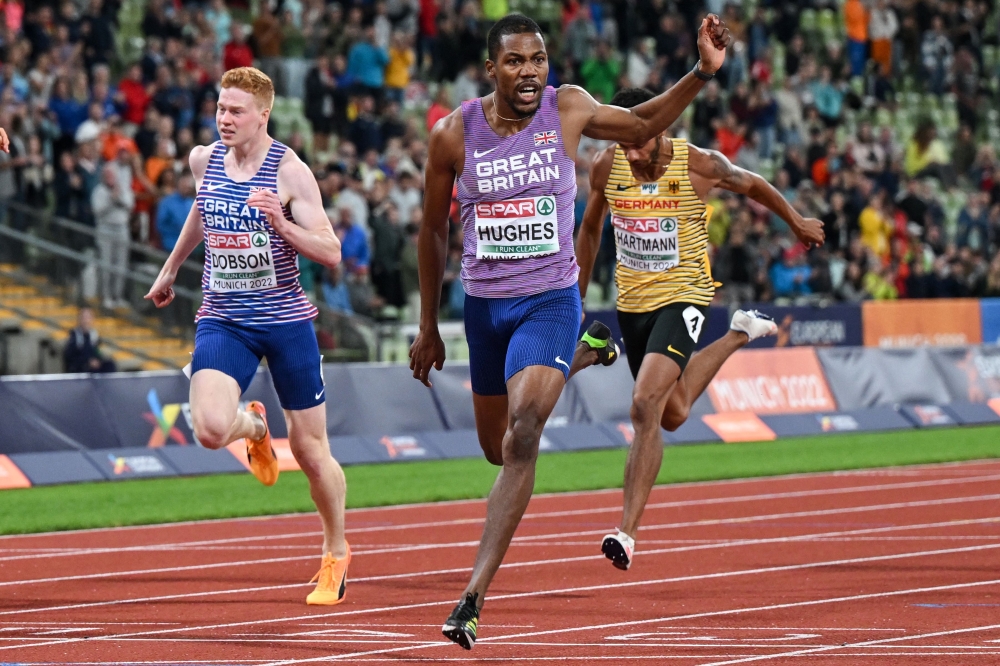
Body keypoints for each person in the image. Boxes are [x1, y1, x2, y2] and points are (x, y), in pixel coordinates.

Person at [409, 13, 731, 650]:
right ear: (491, 68)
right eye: (515, 62)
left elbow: (641, 124)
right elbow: (432, 231)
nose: (529, 72)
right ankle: (583, 356)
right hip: (485, 308)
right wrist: (428, 324)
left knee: (524, 435)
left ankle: (472, 597)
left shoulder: (571, 109)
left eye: (537, 59)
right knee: (495, 448)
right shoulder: (454, 135)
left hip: (549, 300)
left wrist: (700, 73)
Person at [575, 87, 825, 573]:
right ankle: (738, 334)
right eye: (623, 141)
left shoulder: (699, 164)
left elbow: (752, 184)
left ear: (659, 126)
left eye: (639, 141)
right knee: (673, 412)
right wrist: (576, 297)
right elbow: (589, 228)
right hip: (633, 303)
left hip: (685, 295)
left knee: (645, 403)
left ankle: (626, 532)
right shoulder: (606, 166)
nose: (632, 151)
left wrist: (794, 221)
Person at [143, 67, 349, 606]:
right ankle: (254, 426)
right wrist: (170, 270)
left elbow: (331, 251)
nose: (224, 118)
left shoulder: (291, 173)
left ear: (264, 115)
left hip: (285, 320)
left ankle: (335, 551)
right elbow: (202, 210)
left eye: (236, 111)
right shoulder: (203, 160)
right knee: (211, 430)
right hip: (224, 316)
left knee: (309, 449)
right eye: (220, 108)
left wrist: (282, 225)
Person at [63, 307, 117, 373]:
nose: (86, 321)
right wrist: (88, 361)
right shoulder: (74, 336)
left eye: (89, 318)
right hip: (80, 368)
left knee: (110, 364)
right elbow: (70, 357)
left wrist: (98, 359)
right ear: (79, 320)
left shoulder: (94, 335)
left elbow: (97, 352)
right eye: (84, 318)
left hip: (93, 366)